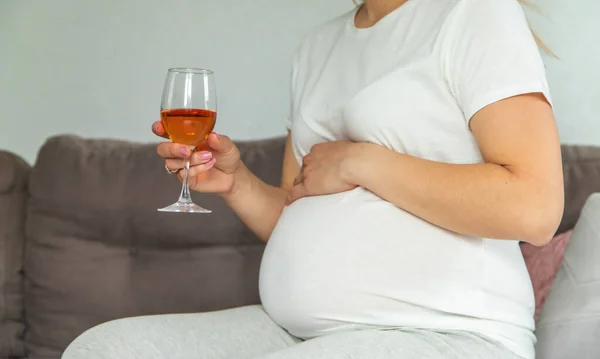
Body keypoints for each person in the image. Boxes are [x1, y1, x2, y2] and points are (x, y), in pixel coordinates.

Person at [62, 0, 564, 358]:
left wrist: (360, 161)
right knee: (102, 350)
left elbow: (535, 209)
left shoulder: (473, 13)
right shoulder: (317, 47)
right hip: (298, 333)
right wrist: (235, 183)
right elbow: (294, 210)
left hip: (446, 333)